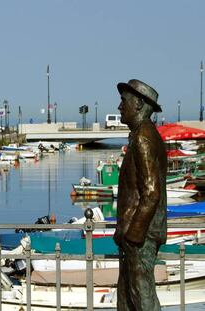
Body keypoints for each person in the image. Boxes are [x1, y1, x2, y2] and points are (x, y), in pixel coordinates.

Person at [113, 79, 167, 310]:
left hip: (141, 235)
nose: (119, 106)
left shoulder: (144, 137)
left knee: (141, 295)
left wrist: (133, 233)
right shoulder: (141, 135)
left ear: (138, 104)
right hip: (134, 233)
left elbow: (152, 191)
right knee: (126, 297)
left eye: (123, 101)